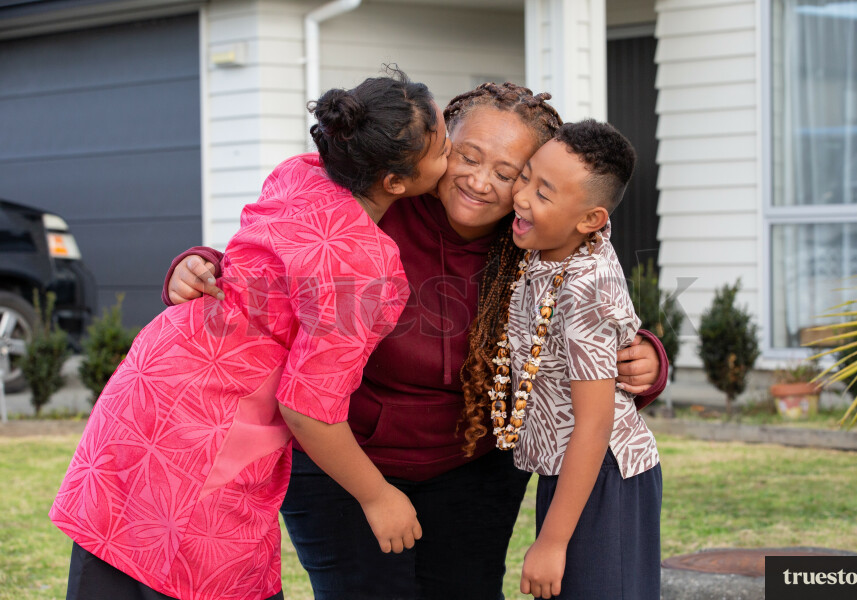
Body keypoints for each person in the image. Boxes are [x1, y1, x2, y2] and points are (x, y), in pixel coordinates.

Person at [164, 83, 668, 600]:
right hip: (344, 460)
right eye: (466, 157)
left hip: (471, 468)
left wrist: (647, 355)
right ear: (438, 147)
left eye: (508, 173)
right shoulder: (377, 204)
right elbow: (277, 250)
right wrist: (201, 265)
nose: (479, 182)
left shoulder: (532, 236)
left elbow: (589, 297)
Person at [50, 71, 451, 600]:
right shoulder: (366, 267)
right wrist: (378, 496)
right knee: (207, 570)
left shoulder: (299, 174)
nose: (452, 159)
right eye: (444, 151)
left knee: (114, 560)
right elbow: (309, 407)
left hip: (149, 389)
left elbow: (258, 269)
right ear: (395, 184)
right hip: (217, 424)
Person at [496, 120, 661, 599]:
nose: (522, 196)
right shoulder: (548, 248)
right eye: (524, 177)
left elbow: (594, 422)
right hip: (567, 470)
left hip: (605, 475)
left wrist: (551, 541)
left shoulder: (584, 286)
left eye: (543, 194)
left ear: (591, 219)